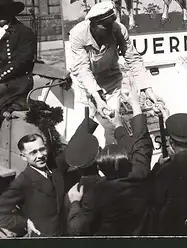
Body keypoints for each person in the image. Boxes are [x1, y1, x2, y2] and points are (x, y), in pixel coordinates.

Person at [0, 114, 97, 237]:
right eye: (33, 152)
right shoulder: (22, 181)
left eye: (42, 149)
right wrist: (24, 222)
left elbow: (74, 144)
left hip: (65, 234)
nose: (40, 156)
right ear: (23, 157)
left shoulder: (55, 166)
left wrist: (92, 115)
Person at [68, 0, 160, 146]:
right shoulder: (78, 34)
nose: (110, 28)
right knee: (88, 121)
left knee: (112, 124)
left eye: (112, 23)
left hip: (111, 79)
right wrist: (97, 98)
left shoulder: (118, 29)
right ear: (93, 24)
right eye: (105, 26)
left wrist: (146, 88)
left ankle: (112, 159)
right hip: (86, 83)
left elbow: (133, 59)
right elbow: (82, 69)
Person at [66, 85, 153, 236]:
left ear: (100, 167)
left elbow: (76, 229)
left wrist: (74, 202)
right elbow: (141, 143)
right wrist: (132, 109)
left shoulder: (95, 193)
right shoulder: (140, 172)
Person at [0, 0, 36, 163]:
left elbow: (21, 62)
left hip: (16, 82)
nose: (0, 17)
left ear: (12, 13)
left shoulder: (24, 32)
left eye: (4, 13)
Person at [150, 113, 187, 236]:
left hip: (175, 227)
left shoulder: (167, 168)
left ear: (171, 141)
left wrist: (158, 166)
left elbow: (154, 198)